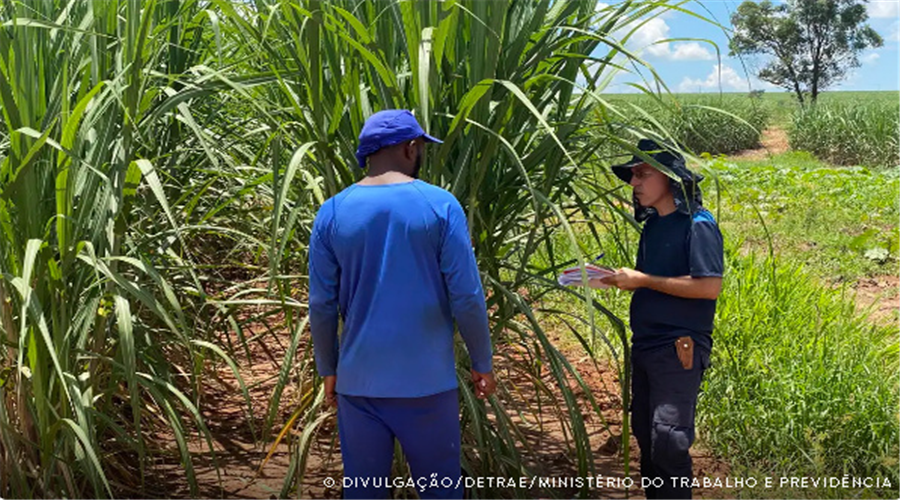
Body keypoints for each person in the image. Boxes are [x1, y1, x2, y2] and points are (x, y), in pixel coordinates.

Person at [308, 109, 496, 500]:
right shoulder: (440, 205)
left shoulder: (332, 212)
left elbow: (322, 303)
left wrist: (328, 367)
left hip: (359, 384)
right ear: (411, 148)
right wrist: (482, 362)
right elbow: (466, 295)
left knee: (364, 491)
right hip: (426, 385)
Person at [598, 139, 724, 500]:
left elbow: (708, 287)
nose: (634, 183)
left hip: (677, 348)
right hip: (647, 346)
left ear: (669, 178)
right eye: (633, 176)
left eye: (642, 174)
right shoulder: (654, 226)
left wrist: (643, 280)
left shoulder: (698, 225)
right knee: (646, 436)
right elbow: (657, 282)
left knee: (669, 440)